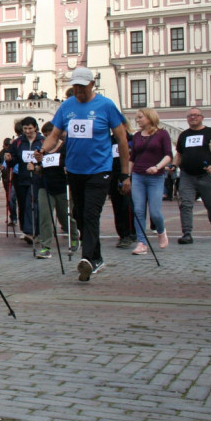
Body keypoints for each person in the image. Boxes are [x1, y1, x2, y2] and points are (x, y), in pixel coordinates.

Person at [39, 67, 131, 281]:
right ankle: (96, 257)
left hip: (100, 170)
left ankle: (87, 259)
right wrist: (43, 150)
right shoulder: (67, 106)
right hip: (74, 170)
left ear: (92, 85)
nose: (79, 90)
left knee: (91, 213)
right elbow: (54, 135)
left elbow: (122, 140)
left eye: (82, 86)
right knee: (79, 215)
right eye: (75, 86)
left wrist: (125, 173)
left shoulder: (106, 106)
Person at [129, 108, 173, 255]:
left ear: (149, 117)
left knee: (155, 212)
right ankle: (141, 242)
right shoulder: (136, 136)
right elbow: (132, 158)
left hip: (156, 176)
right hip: (138, 176)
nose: (137, 120)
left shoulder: (162, 134)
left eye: (140, 117)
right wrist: (127, 176)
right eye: (137, 117)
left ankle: (161, 231)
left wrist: (157, 167)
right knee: (138, 210)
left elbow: (168, 155)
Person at [176, 107, 211, 243]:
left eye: (196, 115)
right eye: (190, 116)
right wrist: (173, 166)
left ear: (202, 117)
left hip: (206, 175)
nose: (193, 118)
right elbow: (179, 154)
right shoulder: (184, 135)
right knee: (185, 204)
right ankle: (187, 233)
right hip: (187, 175)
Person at [35, 121, 78, 257]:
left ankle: (74, 237)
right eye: (46, 135)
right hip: (45, 186)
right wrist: (36, 168)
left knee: (65, 217)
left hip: (62, 186)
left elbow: (71, 162)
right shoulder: (42, 149)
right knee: (45, 217)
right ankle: (46, 246)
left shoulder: (65, 147)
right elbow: (38, 166)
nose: (48, 138)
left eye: (50, 135)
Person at [9, 117, 43, 245]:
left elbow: (47, 158)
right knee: (23, 204)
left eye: (30, 128)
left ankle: (31, 231)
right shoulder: (18, 142)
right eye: (25, 129)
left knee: (32, 203)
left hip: (37, 179)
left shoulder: (42, 141)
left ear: (35, 127)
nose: (27, 131)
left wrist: (37, 167)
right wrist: (9, 159)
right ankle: (28, 229)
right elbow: (13, 158)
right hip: (22, 178)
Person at [108, 119, 136, 249]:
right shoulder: (108, 140)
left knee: (131, 205)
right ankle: (124, 234)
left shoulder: (133, 140)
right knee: (118, 206)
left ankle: (133, 232)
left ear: (125, 125)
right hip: (113, 176)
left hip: (131, 175)